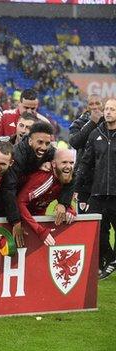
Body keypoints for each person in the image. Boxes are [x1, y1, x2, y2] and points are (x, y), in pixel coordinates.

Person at [0, 122, 73, 247]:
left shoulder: (50, 152)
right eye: (39, 142)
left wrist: (64, 203)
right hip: (1, 202)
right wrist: (15, 220)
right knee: (2, 245)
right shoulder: (18, 155)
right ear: (29, 141)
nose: (44, 147)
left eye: (47, 143)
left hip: (25, 204)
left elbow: (71, 174)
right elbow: (8, 189)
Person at [76, 98, 116, 278]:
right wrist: (76, 187)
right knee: (96, 230)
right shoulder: (95, 134)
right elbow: (86, 163)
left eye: (112, 109)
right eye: (107, 109)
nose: (108, 112)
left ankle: (111, 261)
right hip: (98, 192)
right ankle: (110, 259)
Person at [17, 149, 76, 247]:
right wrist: (40, 231)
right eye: (64, 162)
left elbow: (63, 199)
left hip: (34, 222)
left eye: (71, 163)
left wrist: (69, 209)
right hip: (19, 221)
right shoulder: (45, 179)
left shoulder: (62, 179)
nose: (68, 166)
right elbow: (20, 202)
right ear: (53, 164)